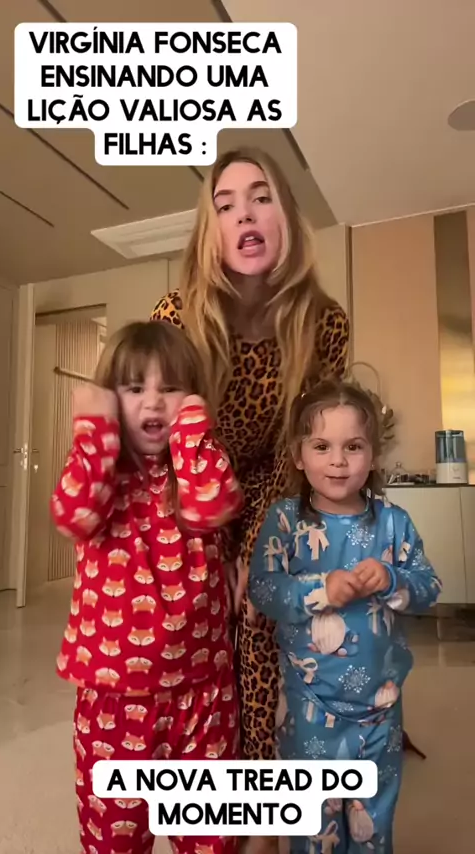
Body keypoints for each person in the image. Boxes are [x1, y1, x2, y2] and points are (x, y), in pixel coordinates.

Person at [151, 147, 350, 767]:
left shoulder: (324, 324)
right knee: (197, 628)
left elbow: (302, 449)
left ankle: (258, 778)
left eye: (261, 198)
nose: (245, 215)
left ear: (285, 215)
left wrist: (258, 552)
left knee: (261, 615)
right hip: (189, 490)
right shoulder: (176, 317)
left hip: (271, 485)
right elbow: (161, 449)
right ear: (210, 231)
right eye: (226, 205)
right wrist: (213, 547)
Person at [51, 320, 244, 854]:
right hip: (112, 701)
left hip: (202, 696)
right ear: (110, 400)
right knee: (114, 840)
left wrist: (192, 430)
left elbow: (213, 505)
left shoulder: (200, 465)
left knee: (211, 840)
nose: (154, 402)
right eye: (135, 388)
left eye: (172, 388)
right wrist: (95, 430)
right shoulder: (98, 473)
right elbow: (73, 514)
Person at [249, 380, 442, 854]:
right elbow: (264, 589)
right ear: (298, 455)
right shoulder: (284, 521)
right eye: (322, 447)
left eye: (353, 446)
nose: (338, 461)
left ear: (373, 455)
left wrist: (392, 579)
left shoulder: (393, 522)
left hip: (381, 710)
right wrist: (320, 590)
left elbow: (429, 588)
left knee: (372, 824)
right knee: (314, 824)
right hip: (309, 707)